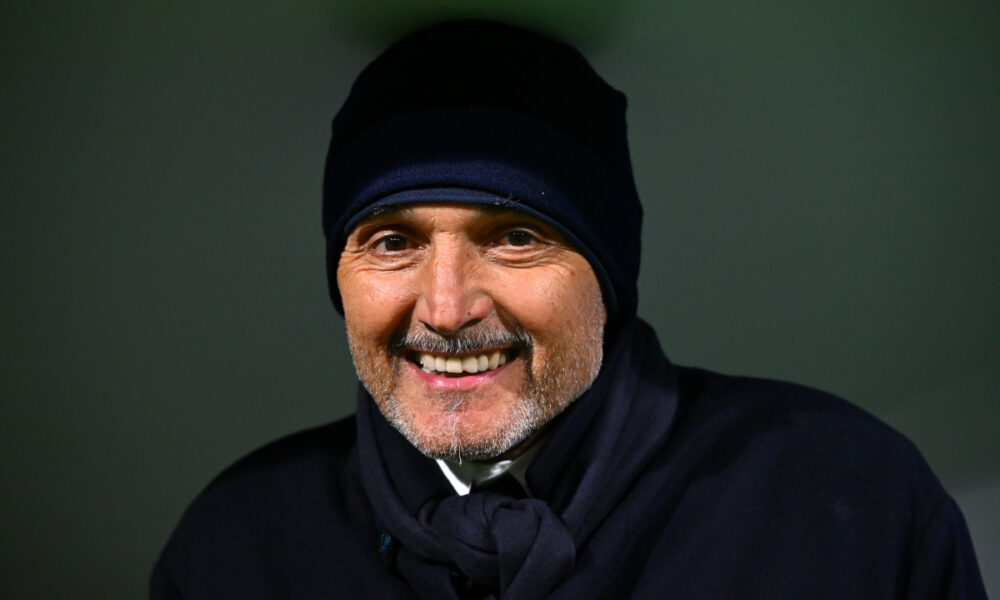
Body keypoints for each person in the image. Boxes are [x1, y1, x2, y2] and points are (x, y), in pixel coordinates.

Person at [151, 21, 987, 599]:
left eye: (515, 236)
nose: (445, 310)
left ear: (611, 274)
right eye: (393, 242)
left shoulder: (847, 504)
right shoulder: (239, 545)